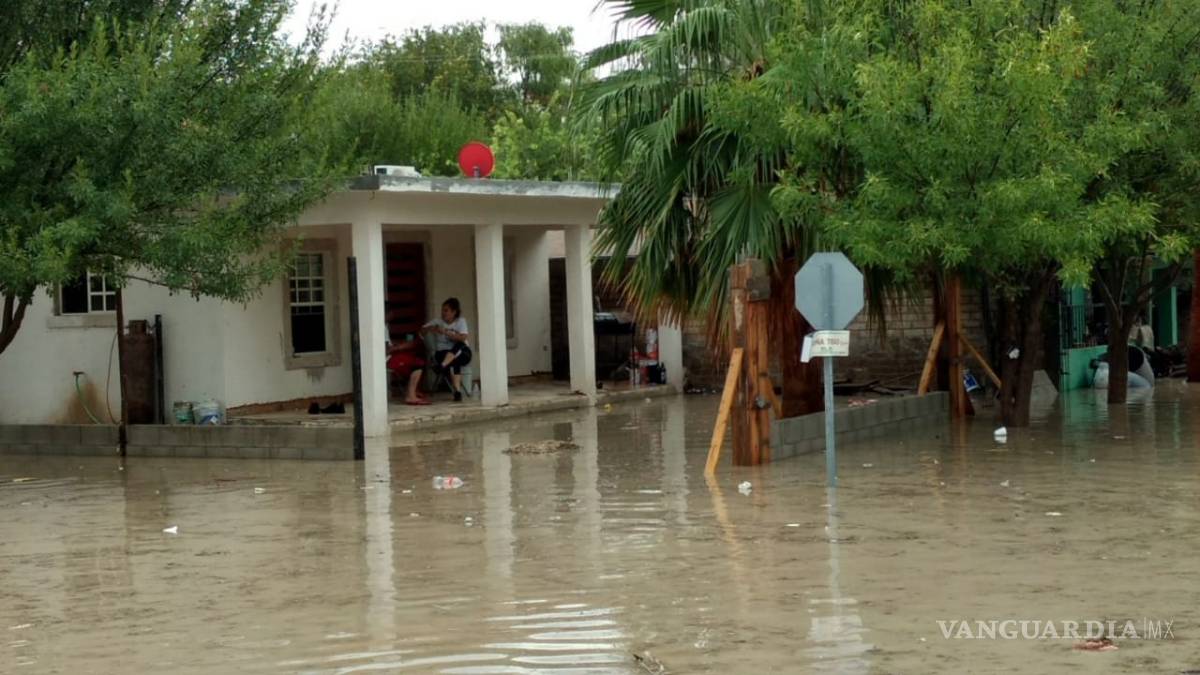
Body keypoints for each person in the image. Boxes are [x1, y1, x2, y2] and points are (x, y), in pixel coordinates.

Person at [421, 297, 472, 401]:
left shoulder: (461, 321)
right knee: (454, 362)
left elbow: (463, 337)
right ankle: (457, 392)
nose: (443, 313)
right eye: (442, 310)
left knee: (460, 344)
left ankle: (442, 366)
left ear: (454, 312)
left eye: (446, 310)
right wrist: (431, 328)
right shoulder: (437, 321)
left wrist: (445, 332)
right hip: (442, 354)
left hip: (463, 353)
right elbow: (421, 331)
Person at [385, 312, 428, 406]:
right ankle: (411, 396)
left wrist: (397, 346)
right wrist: (398, 348)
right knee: (417, 363)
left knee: (416, 358)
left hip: (391, 357)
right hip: (386, 360)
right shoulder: (380, 327)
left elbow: (389, 345)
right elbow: (386, 350)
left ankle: (414, 391)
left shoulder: (385, 326)